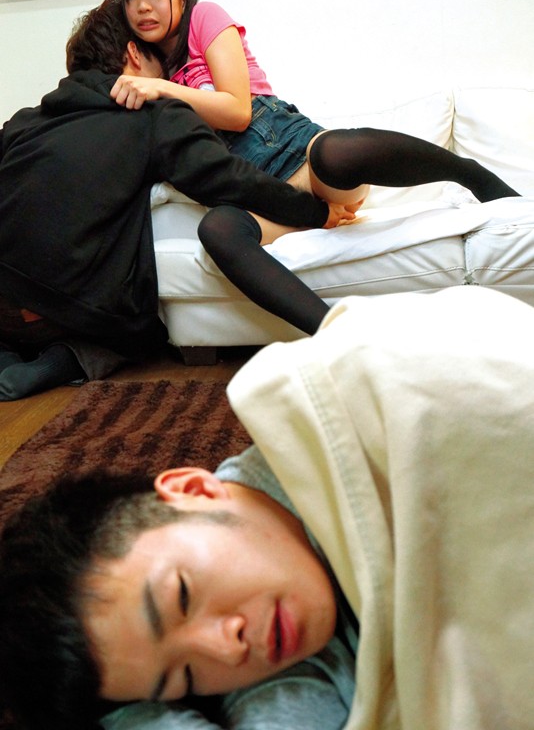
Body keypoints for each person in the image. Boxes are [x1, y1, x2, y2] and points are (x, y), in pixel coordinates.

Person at [1, 285, 533, 730]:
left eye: (182, 596)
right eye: (185, 679)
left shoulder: (378, 389)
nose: (227, 650)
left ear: (193, 489)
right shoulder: (279, 642)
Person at [112, 0, 521, 333]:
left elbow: (238, 111)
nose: (143, 6)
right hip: (258, 196)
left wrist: (162, 88)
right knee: (217, 230)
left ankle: (470, 174)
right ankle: (336, 334)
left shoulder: (204, 19)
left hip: (295, 155)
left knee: (334, 153)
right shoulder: (151, 68)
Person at [0, 0, 356, 400]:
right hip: (61, 311)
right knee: (146, 329)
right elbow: (226, 179)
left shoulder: (25, 121)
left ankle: (7, 352)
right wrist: (315, 211)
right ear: (134, 54)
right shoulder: (156, 115)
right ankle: (65, 360)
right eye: (162, 61)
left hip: (4, 302)